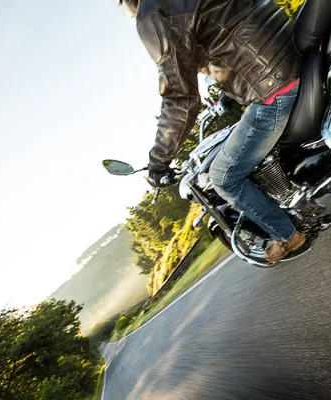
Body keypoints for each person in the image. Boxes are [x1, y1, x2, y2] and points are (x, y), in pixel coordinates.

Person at [117, 0, 306, 261]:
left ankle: (288, 236)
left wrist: (158, 162)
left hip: (272, 84)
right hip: (291, 50)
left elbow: (180, 99)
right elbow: (229, 26)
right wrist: (232, 89)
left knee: (223, 177)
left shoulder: (151, 14)